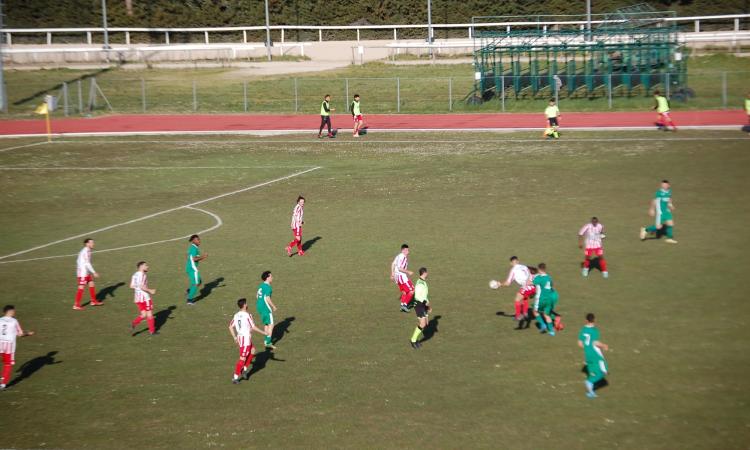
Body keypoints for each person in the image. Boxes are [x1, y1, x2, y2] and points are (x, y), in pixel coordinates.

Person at [229, 298, 269, 384]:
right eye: (246, 304)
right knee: (242, 358)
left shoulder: (236, 315)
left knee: (253, 350)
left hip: (241, 338)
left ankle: (244, 370)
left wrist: (235, 337)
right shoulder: (247, 315)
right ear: (244, 305)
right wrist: (264, 332)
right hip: (245, 339)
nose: (247, 305)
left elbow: (230, 326)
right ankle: (235, 377)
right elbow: (253, 327)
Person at [0, 305, 35, 390]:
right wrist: (28, 334)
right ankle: (2, 384)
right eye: (14, 311)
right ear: (10, 311)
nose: (15, 312)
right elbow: (20, 334)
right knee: (8, 364)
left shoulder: (0, 320)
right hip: (9, 346)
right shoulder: (14, 321)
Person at [578, 313, 610, 398]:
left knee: (593, 372)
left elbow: (580, 344)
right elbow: (595, 342)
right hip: (596, 354)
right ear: (594, 320)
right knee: (604, 370)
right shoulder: (595, 331)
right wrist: (604, 346)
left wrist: (587, 348)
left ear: (586, 321)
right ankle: (589, 382)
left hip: (588, 355)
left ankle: (590, 393)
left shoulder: (583, 330)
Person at [640, 180, 677, 244]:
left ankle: (669, 238)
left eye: (665, 185)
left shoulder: (669, 191)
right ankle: (645, 230)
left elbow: (669, 199)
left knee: (670, 224)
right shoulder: (659, 193)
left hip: (667, 211)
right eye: (662, 185)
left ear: (668, 185)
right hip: (660, 212)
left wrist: (671, 205)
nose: (663, 186)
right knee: (658, 227)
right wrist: (652, 209)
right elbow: (654, 201)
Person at [499, 256, 535, 321]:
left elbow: (507, 283)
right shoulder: (524, 266)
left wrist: (499, 284)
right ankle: (525, 313)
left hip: (528, 286)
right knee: (524, 297)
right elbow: (532, 274)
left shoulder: (513, 270)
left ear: (511, 263)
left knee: (517, 299)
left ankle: (518, 315)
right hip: (533, 286)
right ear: (518, 261)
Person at [73, 238, 102, 310]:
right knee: (81, 287)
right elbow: (87, 263)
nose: (93, 244)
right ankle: (76, 305)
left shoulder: (88, 250)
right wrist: (94, 272)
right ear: (87, 244)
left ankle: (93, 301)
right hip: (82, 273)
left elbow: (80, 261)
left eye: (93, 242)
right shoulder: (85, 251)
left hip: (86, 271)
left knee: (91, 283)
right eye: (91, 243)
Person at [130, 261, 157, 336]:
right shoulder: (142, 274)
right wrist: (150, 290)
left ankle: (134, 322)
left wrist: (138, 287)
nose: (147, 266)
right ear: (141, 266)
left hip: (137, 298)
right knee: (149, 315)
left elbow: (131, 286)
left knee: (143, 314)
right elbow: (142, 286)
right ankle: (152, 331)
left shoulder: (135, 274)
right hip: (145, 298)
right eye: (146, 265)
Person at [533, 263, 560, 336]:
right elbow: (551, 286)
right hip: (549, 299)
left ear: (539, 269)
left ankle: (543, 325)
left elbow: (531, 283)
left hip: (541, 299)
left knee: (535, 312)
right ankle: (551, 331)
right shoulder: (549, 277)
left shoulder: (539, 278)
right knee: (546, 315)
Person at [410, 267, 431, 349]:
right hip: (419, 305)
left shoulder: (423, 282)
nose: (428, 274)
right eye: (427, 272)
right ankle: (413, 340)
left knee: (424, 323)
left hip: (422, 304)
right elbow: (419, 296)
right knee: (422, 324)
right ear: (424, 273)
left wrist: (427, 303)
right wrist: (426, 305)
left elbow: (424, 294)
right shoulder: (420, 284)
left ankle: (414, 340)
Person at [256, 271, 278, 350]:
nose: (272, 278)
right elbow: (268, 298)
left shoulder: (261, 286)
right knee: (271, 324)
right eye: (271, 276)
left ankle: (266, 340)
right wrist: (273, 306)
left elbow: (257, 295)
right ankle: (268, 342)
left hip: (259, 306)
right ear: (267, 278)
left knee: (266, 323)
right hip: (265, 307)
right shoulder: (268, 287)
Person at [391, 244, 415, 313]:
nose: (408, 251)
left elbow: (393, 264)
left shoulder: (398, 256)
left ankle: (402, 305)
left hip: (397, 277)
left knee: (404, 291)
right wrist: (408, 272)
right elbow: (400, 268)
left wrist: (392, 274)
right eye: (407, 250)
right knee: (412, 290)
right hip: (402, 277)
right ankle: (404, 305)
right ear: (403, 250)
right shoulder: (403, 257)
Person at [185, 234, 207, 305]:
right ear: (193, 241)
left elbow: (190, 257)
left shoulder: (193, 247)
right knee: (196, 283)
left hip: (190, 267)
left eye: (199, 239)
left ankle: (190, 291)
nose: (199, 241)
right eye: (198, 239)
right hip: (192, 268)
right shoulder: (194, 248)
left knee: (199, 282)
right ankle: (189, 299)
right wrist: (203, 257)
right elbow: (194, 259)